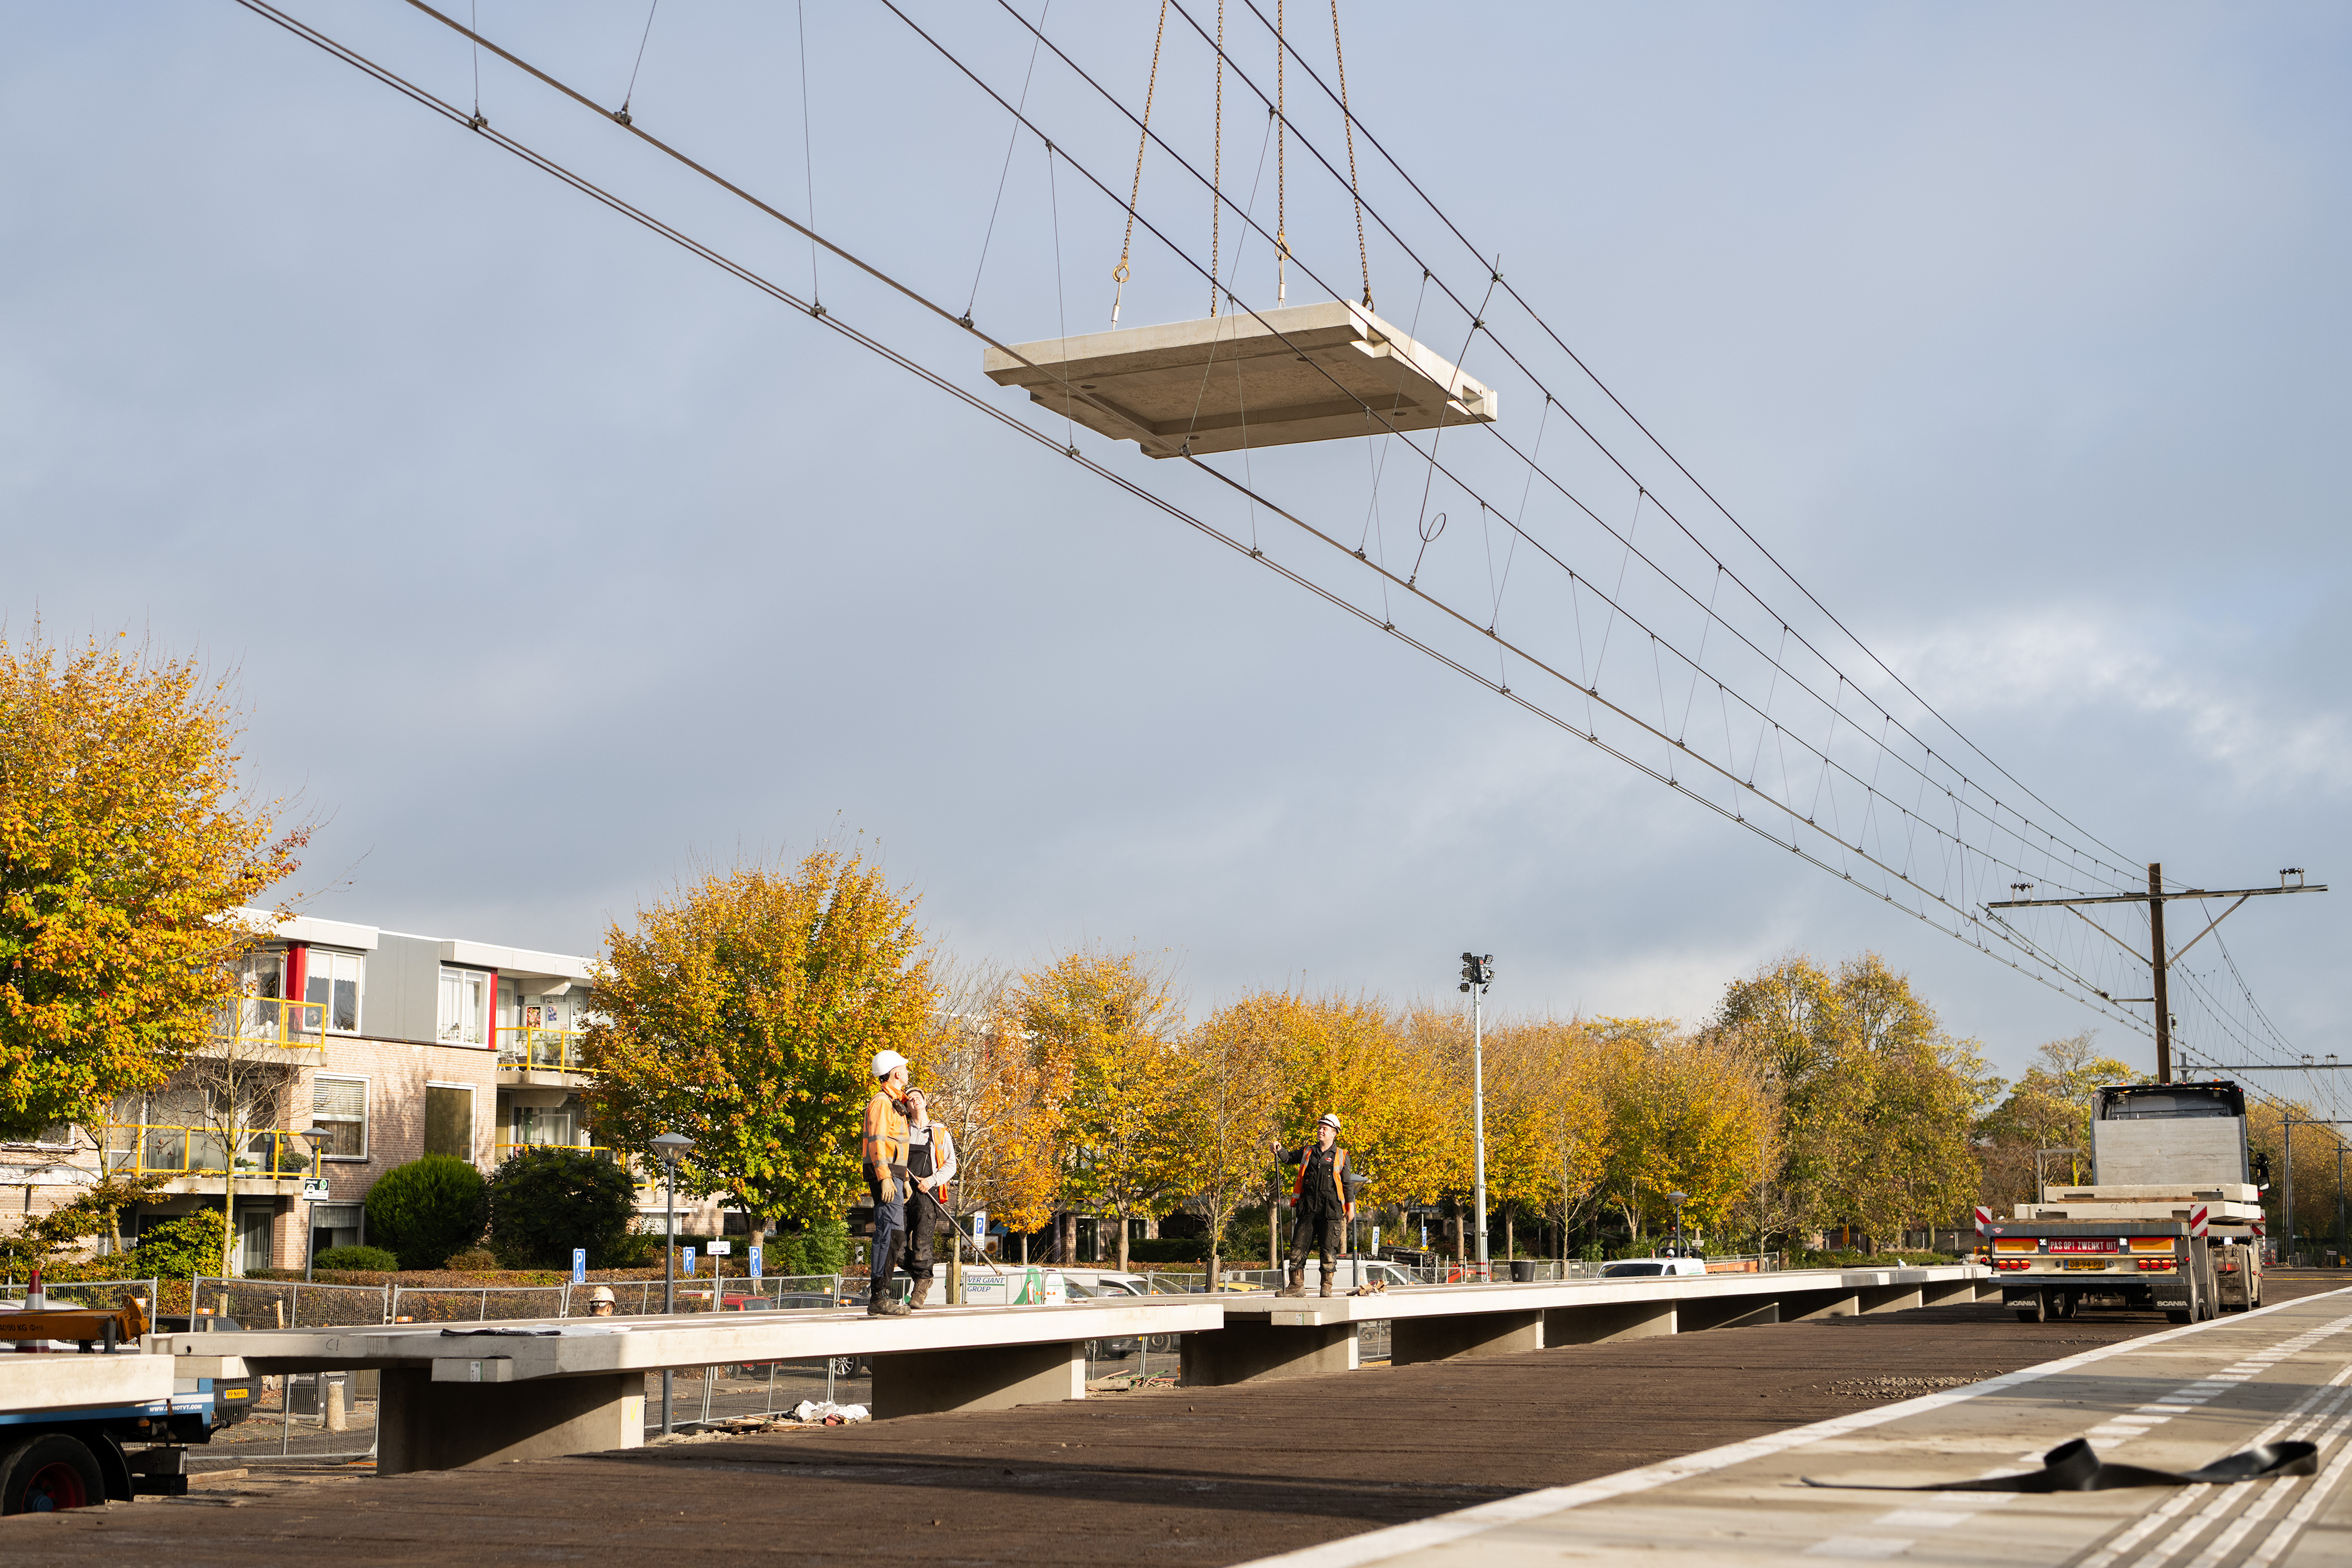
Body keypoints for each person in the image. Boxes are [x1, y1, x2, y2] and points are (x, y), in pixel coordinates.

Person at [1272, 1113, 1353, 1297]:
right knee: (1297, 1248)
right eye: (1320, 1127)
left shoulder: (1341, 1155)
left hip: (1330, 1211)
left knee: (1328, 1250)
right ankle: (1296, 1286)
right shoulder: (1309, 1151)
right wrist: (1279, 1149)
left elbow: (1347, 1184)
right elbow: (1289, 1158)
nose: (1320, 1130)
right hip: (1307, 1208)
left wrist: (1350, 1209)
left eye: (1325, 1128)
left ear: (1334, 1133)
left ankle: (1326, 1287)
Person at [861, 1049, 915, 1317]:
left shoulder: (895, 1103)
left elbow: (898, 1147)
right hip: (886, 1176)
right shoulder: (883, 1102)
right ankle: (879, 1297)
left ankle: (881, 1296)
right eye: (904, 1068)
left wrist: (903, 1178)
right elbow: (878, 1142)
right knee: (889, 1233)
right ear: (896, 1073)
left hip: (894, 1176)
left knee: (895, 1234)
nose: (907, 1071)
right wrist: (885, 1178)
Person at [899, 1087, 959, 1309]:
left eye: (918, 1097)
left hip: (927, 1194)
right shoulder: (902, 1129)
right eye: (910, 1099)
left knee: (922, 1243)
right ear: (906, 1106)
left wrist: (932, 1180)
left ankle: (921, 1286)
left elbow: (951, 1165)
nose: (914, 1101)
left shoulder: (939, 1132)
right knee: (896, 1241)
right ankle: (920, 1271)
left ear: (925, 1101)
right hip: (903, 1191)